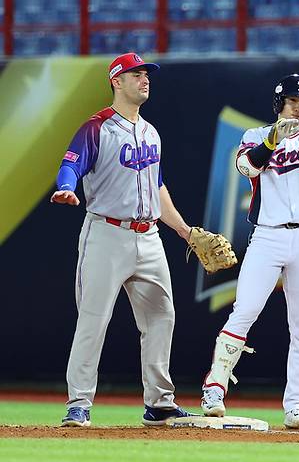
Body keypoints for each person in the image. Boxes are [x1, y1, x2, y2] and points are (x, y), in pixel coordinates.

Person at [51, 53, 194, 427]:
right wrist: (66, 189)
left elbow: (157, 187)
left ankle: (159, 403)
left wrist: (184, 230)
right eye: (136, 75)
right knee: (93, 321)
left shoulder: (151, 132)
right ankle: (78, 403)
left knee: (162, 317)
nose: (145, 79)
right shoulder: (97, 127)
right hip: (107, 234)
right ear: (116, 81)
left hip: (150, 238)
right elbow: (71, 164)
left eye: (147, 74)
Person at [200, 65, 299, 430]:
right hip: (267, 236)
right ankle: (214, 387)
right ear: (278, 103)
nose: (298, 108)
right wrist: (272, 141)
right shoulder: (256, 135)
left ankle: (296, 406)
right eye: (293, 101)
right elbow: (247, 168)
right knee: (245, 309)